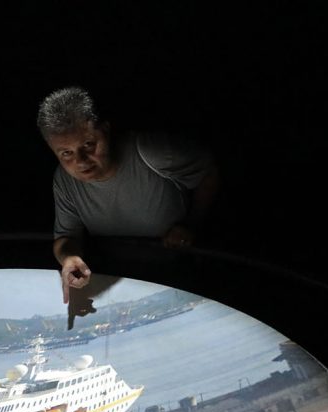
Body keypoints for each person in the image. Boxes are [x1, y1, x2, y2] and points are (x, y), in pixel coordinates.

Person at [37, 86, 219, 307]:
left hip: (181, 275)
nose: (82, 161)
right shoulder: (64, 180)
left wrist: (191, 225)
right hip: (116, 282)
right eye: (66, 153)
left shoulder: (149, 152)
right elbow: (66, 238)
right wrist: (69, 258)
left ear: (105, 130)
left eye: (88, 145)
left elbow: (208, 170)